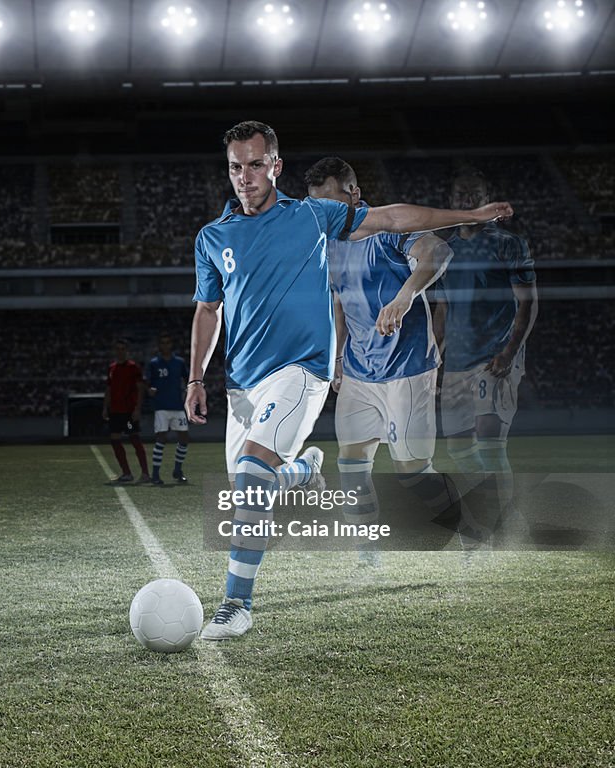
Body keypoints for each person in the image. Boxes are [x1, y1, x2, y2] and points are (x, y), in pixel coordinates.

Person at [186, 121, 514, 640]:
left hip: (302, 372)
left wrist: (468, 217)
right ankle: (302, 471)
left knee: (262, 479)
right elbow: (208, 308)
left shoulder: (311, 217)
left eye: (254, 164)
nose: (244, 176)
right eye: (235, 166)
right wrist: (195, 378)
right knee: (252, 493)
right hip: (248, 384)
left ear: (275, 166)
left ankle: (236, 605)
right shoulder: (212, 237)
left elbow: (393, 218)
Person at [305, 157, 458, 563]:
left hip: (407, 367)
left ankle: (461, 521)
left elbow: (437, 251)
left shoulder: (388, 230)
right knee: (353, 464)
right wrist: (337, 357)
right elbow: (339, 303)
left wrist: (405, 295)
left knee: (411, 470)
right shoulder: (329, 244)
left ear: (354, 195)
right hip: (358, 370)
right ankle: (367, 549)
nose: (323, 215)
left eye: (330, 203)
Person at [435, 169, 537, 528]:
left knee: (490, 442)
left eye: (473, 193)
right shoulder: (444, 248)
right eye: (459, 194)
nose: (465, 199)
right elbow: (443, 308)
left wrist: (509, 353)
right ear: (450, 202)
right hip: (457, 362)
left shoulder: (509, 243)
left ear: (487, 199)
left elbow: (527, 303)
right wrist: (436, 358)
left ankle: (495, 523)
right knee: (459, 448)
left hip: (494, 358)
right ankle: (501, 507)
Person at [102, 338, 150, 483]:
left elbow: (140, 388)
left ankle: (145, 474)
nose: (120, 352)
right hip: (115, 411)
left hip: (129, 411)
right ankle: (126, 473)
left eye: (123, 349)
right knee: (114, 439)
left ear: (127, 351)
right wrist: (105, 407)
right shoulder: (112, 368)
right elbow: (109, 389)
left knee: (134, 439)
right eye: (118, 349)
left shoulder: (133, 367)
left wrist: (137, 409)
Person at [147, 333, 190, 485]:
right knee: (161, 438)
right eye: (162, 343)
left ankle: (178, 470)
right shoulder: (154, 363)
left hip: (177, 405)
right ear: (159, 345)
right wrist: (150, 389)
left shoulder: (179, 362)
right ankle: (156, 474)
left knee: (184, 438)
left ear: (171, 345)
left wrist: (187, 391)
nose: (165, 345)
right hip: (161, 406)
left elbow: (187, 379)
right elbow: (148, 382)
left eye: (167, 342)